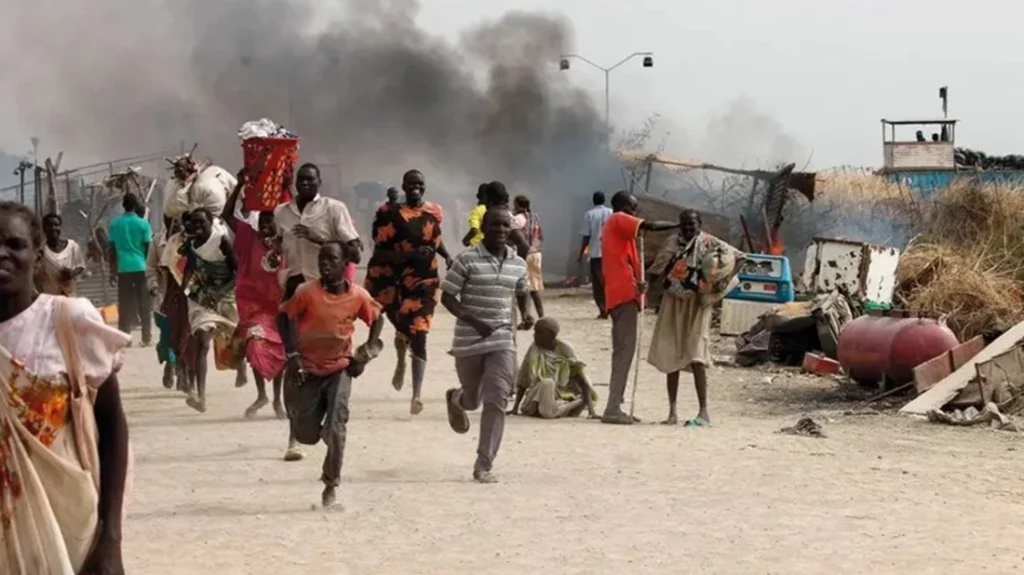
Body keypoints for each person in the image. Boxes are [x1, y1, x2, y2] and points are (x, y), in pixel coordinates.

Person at [0, 202, 131, 574]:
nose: (2, 254)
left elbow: (112, 428)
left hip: (71, 528)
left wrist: (111, 540)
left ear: (38, 256)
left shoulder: (68, 320)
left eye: (15, 243)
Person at [280, 241, 384, 508]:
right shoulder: (306, 292)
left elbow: (377, 316)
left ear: (344, 264)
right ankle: (320, 429)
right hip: (308, 369)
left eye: (332, 260)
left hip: (340, 368)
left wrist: (368, 351)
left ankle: (330, 485)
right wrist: (292, 355)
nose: (325, 264)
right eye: (322, 259)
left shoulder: (358, 295)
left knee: (338, 426)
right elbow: (285, 316)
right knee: (307, 435)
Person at [275, 163, 362, 460]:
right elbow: (278, 247)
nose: (306, 184)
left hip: (327, 295)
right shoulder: (281, 213)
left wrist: (318, 239)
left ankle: (326, 423)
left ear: (319, 182)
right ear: (295, 182)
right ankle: (295, 437)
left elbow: (356, 252)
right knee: (293, 361)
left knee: (325, 361)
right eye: (301, 179)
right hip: (295, 291)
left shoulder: (333, 209)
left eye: (311, 179)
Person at [441, 207, 532, 484]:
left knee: (497, 398)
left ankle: (484, 464)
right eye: (495, 225)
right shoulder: (466, 260)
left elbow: (522, 291)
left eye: (506, 226)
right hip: (469, 341)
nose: (501, 230)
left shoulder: (518, 263)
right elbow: (447, 297)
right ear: (483, 226)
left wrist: (527, 313)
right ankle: (457, 399)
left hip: (502, 340)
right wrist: (474, 320)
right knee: (473, 400)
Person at [365, 169, 452, 414]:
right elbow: (380, 251)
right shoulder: (392, 214)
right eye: (411, 184)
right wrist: (410, 255)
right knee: (404, 326)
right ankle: (402, 355)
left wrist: (447, 256)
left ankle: (416, 394)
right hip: (397, 279)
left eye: (420, 184)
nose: (416, 187)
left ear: (425, 186)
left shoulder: (435, 212)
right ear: (404, 186)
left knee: (420, 331)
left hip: (425, 280)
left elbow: (435, 238)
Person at [647, 209, 744, 426]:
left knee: (697, 354)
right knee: (671, 352)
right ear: (680, 225)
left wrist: (723, 280)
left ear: (699, 224)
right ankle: (672, 412)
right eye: (684, 225)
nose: (688, 228)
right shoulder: (672, 243)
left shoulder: (710, 243)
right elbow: (658, 270)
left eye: (692, 224)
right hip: (673, 301)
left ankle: (704, 412)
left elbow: (740, 258)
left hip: (698, 304)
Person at [599, 190, 679, 425]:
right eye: (632, 208)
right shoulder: (618, 219)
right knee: (624, 352)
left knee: (622, 352)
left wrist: (639, 284)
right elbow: (650, 226)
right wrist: (676, 224)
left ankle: (616, 404)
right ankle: (613, 408)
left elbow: (627, 264)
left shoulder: (621, 233)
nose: (635, 213)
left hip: (626, 293)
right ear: (623, 206)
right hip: (623, 296)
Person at [223, 176, 288, 419]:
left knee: (280, 351)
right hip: (254, 307)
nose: (265, 226)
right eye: (262, 222)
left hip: (280, 306)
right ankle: (262, 394)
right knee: (256, 345)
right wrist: (239, 185)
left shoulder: (285, 241)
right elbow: (227, 215)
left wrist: (285, 184)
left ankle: (277, 400)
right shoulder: (249, 238)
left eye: (270, 223)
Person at [180, 208, 243, 413]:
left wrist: (220, 293)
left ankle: (240, 367)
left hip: (226, 294)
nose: (198, 227)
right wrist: (193, 294)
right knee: (203, 342)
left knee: (239, 338)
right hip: (203, 297)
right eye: (194, 223)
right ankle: (201, 397)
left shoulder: (221, 241)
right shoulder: (190, 245)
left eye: (202, 223)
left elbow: (238, 273)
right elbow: (188, 275)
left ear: (210, 223)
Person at [509, 317, 597, 419]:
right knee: (547, 383)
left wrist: (592, 411)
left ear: (550, 335)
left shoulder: (565, 350)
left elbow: (581, 379)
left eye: (538, 333)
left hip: (559, 396)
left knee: (550, 390)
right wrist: (515, 408)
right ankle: (560, 409)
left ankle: (558, 408)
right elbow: (523, 380)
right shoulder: (534, 349)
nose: (534, 335)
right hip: (536, 399)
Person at [146, 217, 190, 391]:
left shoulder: (191, 239)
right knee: (167, 336)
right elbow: (150, 267)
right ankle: (170, 363)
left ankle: (182, 372)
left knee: (185, 337)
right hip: (163, 296)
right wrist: (153, 286)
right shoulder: (157, 241)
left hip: (187, 296)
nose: (178, 223)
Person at [108, 193, 154, 346]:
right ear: (135, 205)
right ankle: (146, 337)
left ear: (123, 205)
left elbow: (112, 249)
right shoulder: (143, 224)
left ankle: (125, 338)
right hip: (141, 266)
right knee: (144, 303)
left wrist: (112, 271)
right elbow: (148, 247)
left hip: (123, 268)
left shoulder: (115, 224)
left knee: (125, 303)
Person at [36, 213, 88, 297]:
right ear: (44, 229)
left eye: (56, 225)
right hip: (50, 295)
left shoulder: (72, 246)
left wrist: (72, 273)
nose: (53, 228)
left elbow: (81, 266)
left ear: (60, 227)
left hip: (68, 293)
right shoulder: (41, 251)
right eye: (49, 226)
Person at [579, 191, 613, 319]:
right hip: (610, 253)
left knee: (598, 283)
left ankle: (603, 309)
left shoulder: (589, 214)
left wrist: (582, 253)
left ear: (593, 201)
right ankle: (611, 306)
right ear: (604, 200)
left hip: (596, 253)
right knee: (609, 280)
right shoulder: (611, 212)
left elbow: (586, 237)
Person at [513, 195, 545, 320]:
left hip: (524, 255)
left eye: (515, 204)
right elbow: (541, 236)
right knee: (534, 287)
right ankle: (541, 316)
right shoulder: (536, 217)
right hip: (536, 254)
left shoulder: (518, 219)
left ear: (518, 205)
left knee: (523, 287)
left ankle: (525, 317)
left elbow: (512, 234)